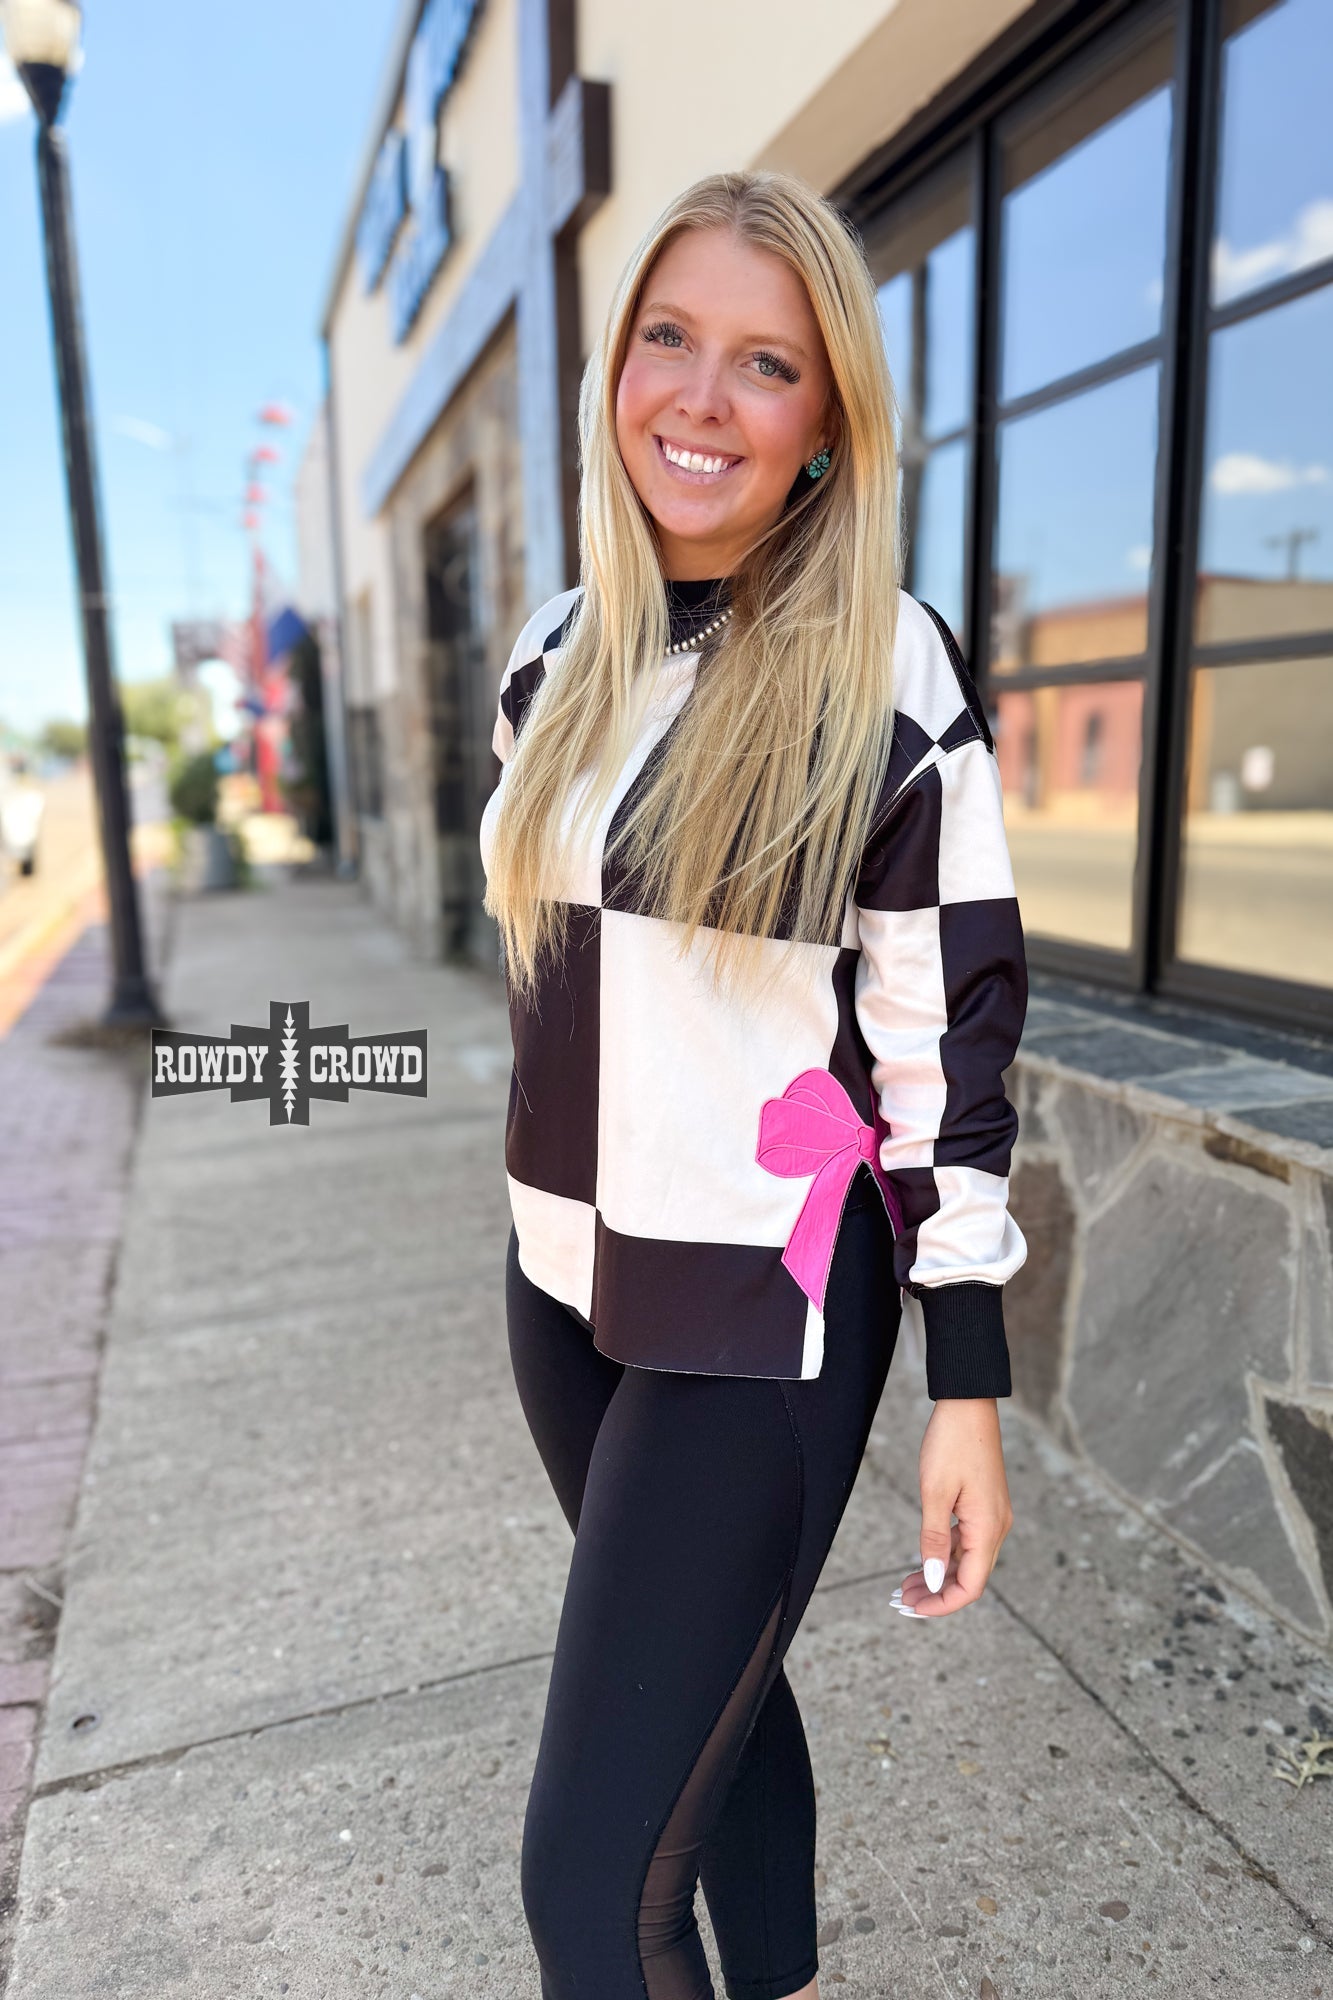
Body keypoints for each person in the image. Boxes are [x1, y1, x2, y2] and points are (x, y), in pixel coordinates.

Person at [480, 167, 1028, 2000]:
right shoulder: (551, 656)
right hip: (564, 1282)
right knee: (714, 1703)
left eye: (765, 363)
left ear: (826, 421)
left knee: (588, 1895)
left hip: (760, 1308)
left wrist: (965, 1381)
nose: (699, 399)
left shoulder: (884, 668)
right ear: (614, 366)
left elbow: (943, 1038)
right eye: (667, 337)